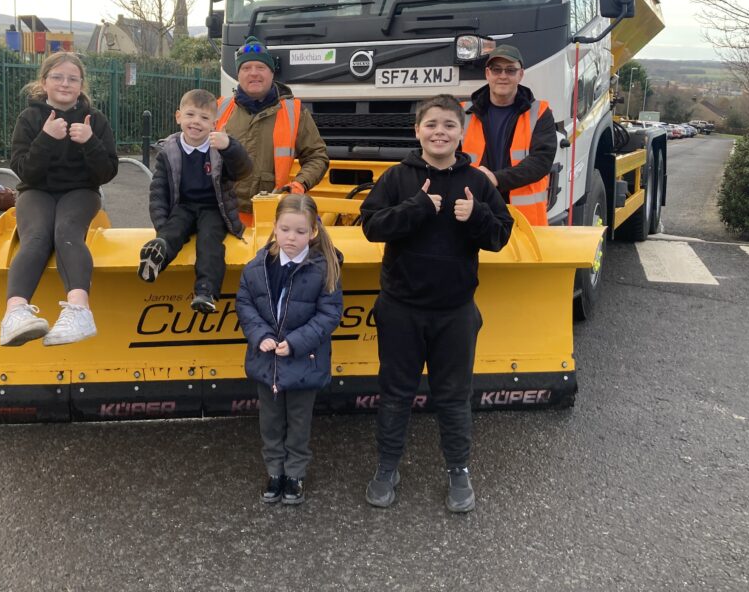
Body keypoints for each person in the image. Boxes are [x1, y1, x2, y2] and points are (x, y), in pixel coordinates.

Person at [360, 94, 513, 513]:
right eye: (431, 124)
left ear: (461, 133)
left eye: (448, 125)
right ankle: (387, 466)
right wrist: (416, 208)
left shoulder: (477, 182)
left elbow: (501, 235)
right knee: (395, 393)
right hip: (401, 308)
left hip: (455, 313)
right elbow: (371, 226)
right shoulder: (396, 178)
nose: (439, 132)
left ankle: (459, 469)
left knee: (453, 396)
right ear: (417, 131)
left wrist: (477, 214)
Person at [0, 52, 118, 347]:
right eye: (58, 77)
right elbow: (25, 169)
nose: (65, 84)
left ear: (81, 85)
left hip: (81, 191)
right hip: (36, 190)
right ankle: (14, 313)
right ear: (44, 82)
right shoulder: (30, 119)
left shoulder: (95, 120)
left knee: (66, 232)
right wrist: (46, 139)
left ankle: (79, 310)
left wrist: (90, 141)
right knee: (36, 236)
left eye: (72, 79)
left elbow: (106, 172)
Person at [236, 193, 343, 506]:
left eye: (299, 231)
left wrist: (295, 343)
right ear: (275, 227)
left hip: (303, 363)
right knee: (270, 421)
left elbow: (329, 314)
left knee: (298, 422)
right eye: (285, 229)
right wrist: (260, 335)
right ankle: (274, 471)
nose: (291, 237)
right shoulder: (257, 267)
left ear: (312, 232)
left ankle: (294, 473)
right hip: (266, 362)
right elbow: (244, 303)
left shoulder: (325, 269)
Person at [138, 88, 253, 314]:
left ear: (214, 123)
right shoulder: (169, 151)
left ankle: (205, 291)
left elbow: (243, 170)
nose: (196, 122)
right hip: (183, 207)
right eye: (190, 115)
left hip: (213, 209)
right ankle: (156, 258)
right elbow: (159, 191)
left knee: (210, 242)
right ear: (178, 117)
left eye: (204, 118)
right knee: (173, 230)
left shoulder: (220, 148)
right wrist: (162, 226)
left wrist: (230, 146)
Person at [216, 36, 329, 227]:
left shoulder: (294, 112)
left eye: (261, 68)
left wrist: (299, 184)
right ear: (238, 74)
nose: (253, 73)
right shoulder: (219, 109)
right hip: (225, 216)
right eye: (246, 68)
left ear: (271, 73)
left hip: (274, 218)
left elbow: (317, 157)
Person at [461, 44, 557, 226]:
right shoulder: (464, 113)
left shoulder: (540, 112)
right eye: (497, 70)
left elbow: (541, 162)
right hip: (475, 213)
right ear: (487, 73)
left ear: (520, 75)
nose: (503, 76)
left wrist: (496, 179)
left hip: (524, 220)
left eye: (510, 70)